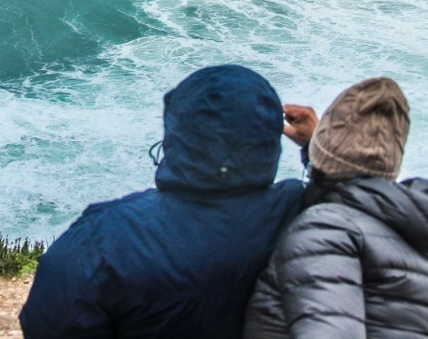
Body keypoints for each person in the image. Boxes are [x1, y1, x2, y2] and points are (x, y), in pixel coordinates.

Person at [20, 64, 311, 339]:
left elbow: (48, 327)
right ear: (270, 139)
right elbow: (352, 188)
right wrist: (316, 145)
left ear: (176, 133)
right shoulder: (307, 211)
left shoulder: (102, 240)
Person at [243, 77, 428, 339]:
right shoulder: (412, 244)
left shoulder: (326, 231)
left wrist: (321, 150)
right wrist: (316, 149)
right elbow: (352, 195)